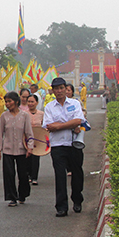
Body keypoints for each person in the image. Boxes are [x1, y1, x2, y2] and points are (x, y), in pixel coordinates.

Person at [43, 77, 85, 217]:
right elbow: (49, 126)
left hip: (74, 144)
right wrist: (70, 124)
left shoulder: (75, 103)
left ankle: (77, 200)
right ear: (53, 91)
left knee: (77, 173)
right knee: (60, 176)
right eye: (56, 89)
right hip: (57, 145)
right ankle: (61, 206)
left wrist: (59, 125)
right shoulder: (49, 107)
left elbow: (79, 120)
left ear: (65, 89)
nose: (59, 91)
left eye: (62, 88)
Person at [0, 91, 34, 206]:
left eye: (9, 101)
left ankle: (22, 194)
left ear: (16, 102)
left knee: (23, 174)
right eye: (6, 102)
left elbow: (29, 133)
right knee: (9, 174)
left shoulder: (25, 115)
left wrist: (30, 147)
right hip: (8, 149)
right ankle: (12, 197)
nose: (7, 104)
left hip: (22, 149)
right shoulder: (4, 116)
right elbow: (0, 133)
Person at [26, 93, 44, 185]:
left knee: (36, 158)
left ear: (36, 103)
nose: (30, 104)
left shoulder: (41, 114)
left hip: (37, 139)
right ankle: (28, 175)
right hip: (26, 139)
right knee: (27, 157)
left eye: (32, 102)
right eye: (29, 102)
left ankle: (34, 177)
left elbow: (44, 127)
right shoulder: (24, 114)